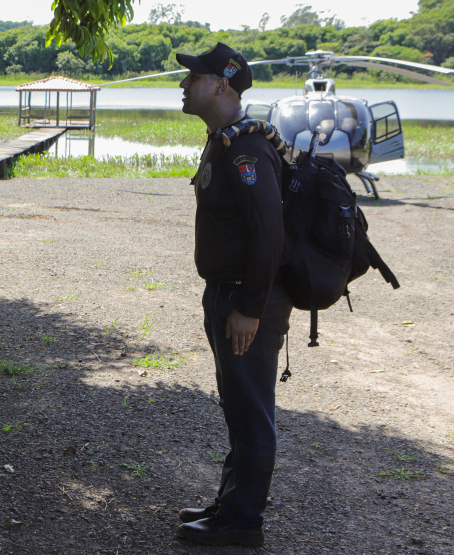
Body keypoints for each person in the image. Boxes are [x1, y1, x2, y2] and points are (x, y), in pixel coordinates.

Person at [173, 43, 292, 547]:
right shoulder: (225, 141)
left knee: (251, 411)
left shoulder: (246, 150)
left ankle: (243, 523)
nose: (182, 84)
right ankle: (231, 503)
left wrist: (249, 308)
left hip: (245, 302)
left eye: (192, 78)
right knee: (239, 406)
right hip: (227, 295)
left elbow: (269, 233)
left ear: (221, 85)